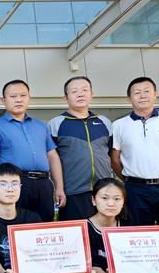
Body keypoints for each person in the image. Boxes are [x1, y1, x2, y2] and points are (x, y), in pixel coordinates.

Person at [110, 76, 159, 226]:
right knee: (139, 232)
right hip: (135, 189)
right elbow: (114, 160)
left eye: (147, 91)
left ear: (155, 94)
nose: (142, 96)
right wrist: (129, 179)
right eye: (137, 92)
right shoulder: (118, 125)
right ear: (129, 99)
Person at [0, 79, 65, 223]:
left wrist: (59, 187)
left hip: (43, 183)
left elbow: (53, 158)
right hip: (15, 184)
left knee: (45, 226)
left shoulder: (41, 126)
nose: (18, 100)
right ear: (3, 100)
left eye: (23, 95)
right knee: (17, 225)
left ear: (29, 98)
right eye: (13, 96)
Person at [48, 76, 113, 222]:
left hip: (103, 191)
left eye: (84, 90)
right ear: (66, 98)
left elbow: (111, 154)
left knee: (103, 232)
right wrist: (59, 188)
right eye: (74, 91)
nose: (80, 94)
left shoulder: (104, 122)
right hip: (72, 192)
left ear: (92, 94)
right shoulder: (56, 124)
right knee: (77, 232)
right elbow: (52, 160)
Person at [86, 178, 127, 273]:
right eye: (104, 198)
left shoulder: (129, 227)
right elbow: (92, 265)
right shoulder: (85, 229)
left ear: (123, 202)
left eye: (117, 199)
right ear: (94, 200)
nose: (111, 204)